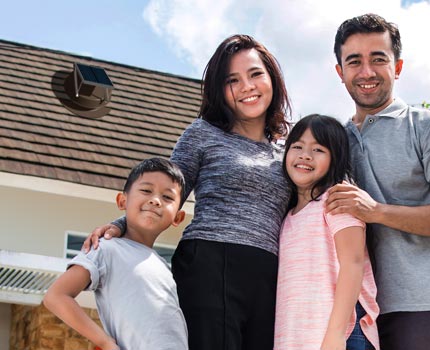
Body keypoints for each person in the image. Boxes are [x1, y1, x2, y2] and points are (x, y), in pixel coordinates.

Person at [83, 34, 292, 349]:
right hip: (212, 261)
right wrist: (121, 223)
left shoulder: (290, 151)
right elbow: (165, 191)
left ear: (271, 78)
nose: (247, 86)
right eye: (232, 80)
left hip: (269, 272)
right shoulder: (202, 134)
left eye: (255, 74)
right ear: (220, 91)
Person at [326, 13, 430, 349]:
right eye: (354, 61)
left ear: (398, 66)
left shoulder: (428, 126)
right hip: (351, 310)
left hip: (415, 306)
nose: (366, 72)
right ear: (340, 72)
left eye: (378, 59)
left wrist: (376, 211)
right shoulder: (334, 140)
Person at [43, 157, 188, 350]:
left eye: (167, 197)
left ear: (177, 217)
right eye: (146, 190)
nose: (155, 200)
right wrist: (105, 342)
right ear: (122, 201)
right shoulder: (106, 248)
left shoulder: (163, 267)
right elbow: (56, 296)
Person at [274, 114, 379, 350]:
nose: (305, 155)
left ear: (335, 158)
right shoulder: (287, 216)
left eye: (318, 149)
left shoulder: (337, 200)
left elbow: (353, 264)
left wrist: (336, 335)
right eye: (297, 146)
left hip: (343, 335)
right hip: (297, 339)